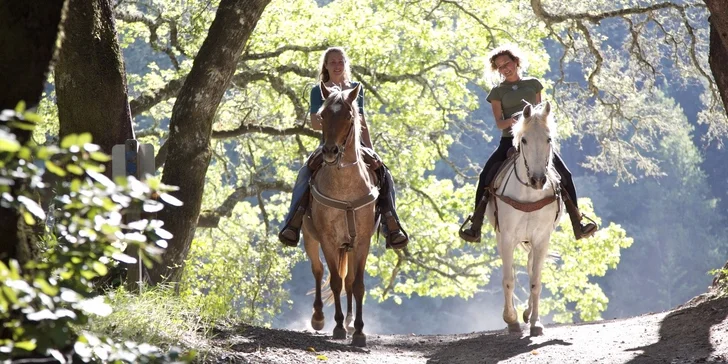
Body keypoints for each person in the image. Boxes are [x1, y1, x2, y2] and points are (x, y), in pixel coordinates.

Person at [459, 45, 597, 242]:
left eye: (506, 63)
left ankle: (578, 222)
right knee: (485, 175)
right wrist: (518, 121)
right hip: (510, 141)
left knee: (565, 174)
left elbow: (540, 115)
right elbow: (499, 123)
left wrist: (534, 124)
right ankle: (476, 224)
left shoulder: (533, 84)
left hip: (536, 141)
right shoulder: (497, 92)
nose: (504, 68)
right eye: (499, 67)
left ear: (516, 62)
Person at [278, 47, 409, 249]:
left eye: (340, 62)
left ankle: (390, 223)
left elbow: (362, 120)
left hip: (355, 145)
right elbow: (314, 124)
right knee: (305, 173)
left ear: (345, 64)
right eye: (333, 62)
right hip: (329, 144)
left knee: (384, 173)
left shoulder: (356, 88)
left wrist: (371, 149)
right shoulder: (318, 90)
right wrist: (331, 117)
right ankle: (293, 222)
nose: (337, 65)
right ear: (326, 66)